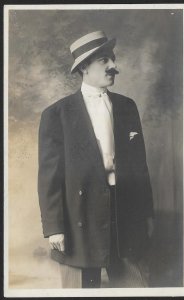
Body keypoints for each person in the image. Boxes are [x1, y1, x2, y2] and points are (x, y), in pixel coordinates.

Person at [38, 30, 154, 288]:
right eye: (104, 60)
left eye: (112, 58)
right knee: (81, 289)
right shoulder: (57, 114)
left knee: (135, 287)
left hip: (125, 212)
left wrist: (147, 214)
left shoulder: (127, 107)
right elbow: (50, 177)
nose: (114, 66)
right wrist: (54, 227)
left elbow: (139, 168)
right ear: (84, 68)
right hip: (79, 214)